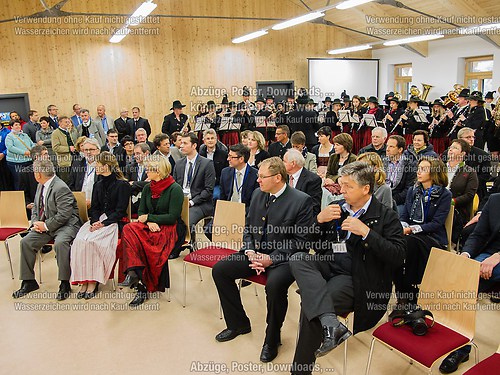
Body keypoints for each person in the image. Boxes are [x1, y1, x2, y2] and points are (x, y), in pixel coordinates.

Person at [289, 162, 405, 373]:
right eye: (341, 185)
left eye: (348, 186)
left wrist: (367, 233)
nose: (341, 190)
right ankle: (331, 323)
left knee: (311, 307)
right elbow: (309, 243)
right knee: (297, 257)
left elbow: (398, 256)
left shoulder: (387, 216)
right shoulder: (338, 208)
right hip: (331, 263)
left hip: (357, 277)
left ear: (365, 189)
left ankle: (300, 370)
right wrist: (318, 220)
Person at [212, 157, 313, 363]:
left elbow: (301, 242)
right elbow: (248, 227)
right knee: (220, 270)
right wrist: (249, 250)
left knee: (275, 286)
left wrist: (271, 259)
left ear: (278, 178)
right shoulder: (258, 194)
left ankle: (272, 339)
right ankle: (238, 324)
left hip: (284, 259)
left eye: (261, 176)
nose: (257, 180)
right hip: (255, 252)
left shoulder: (301, 201)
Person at [438, 193, 500, 374]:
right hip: (487, 255)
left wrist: (498, 257)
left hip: (496, 256)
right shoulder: (495, 200)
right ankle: (461, 347)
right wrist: (465, 256)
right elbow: (479, 234)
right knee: (462, 281)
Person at [119, 155, 185, 306]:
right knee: (129, 229)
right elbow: (141, 212)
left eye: (149, 169)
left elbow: (172, 217)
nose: (146, 172)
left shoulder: (175, 189)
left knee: (146, 243)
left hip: (169, 227)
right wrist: (149, 221)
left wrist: (150, 218)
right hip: (151, 223)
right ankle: (133, 274)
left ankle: (141, 285)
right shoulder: (148, 187)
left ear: (159, 171)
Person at [12, 159, 81, 301]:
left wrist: (46, 226)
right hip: (47, 224)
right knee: (26, 242)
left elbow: (64, 215)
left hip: (67, 225)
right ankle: (28, 281)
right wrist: (36, 222)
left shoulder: (60, 187)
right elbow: (37, 207)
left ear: (38, 174)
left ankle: (64, 283)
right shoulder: (41, 185)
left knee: (60, 243)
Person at [391, 157, 451, 313]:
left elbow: (436, 224)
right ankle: (404, 295)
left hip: (432, 237)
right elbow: (404, 216)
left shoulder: (444, 194)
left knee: (408, 244)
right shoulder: (413, 190)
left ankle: (407, 294)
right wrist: (404, 226)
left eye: (423, 169)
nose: (418, 171)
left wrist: (411, 229)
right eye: (419, 168)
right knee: (397, 246)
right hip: (410, 236)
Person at [70, 152, 130, 299]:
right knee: (79, 241)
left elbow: (120, 211)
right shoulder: (98, 184)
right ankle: (84, 279)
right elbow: (95, 208)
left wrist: (103, 223)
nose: (96, 166)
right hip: (97, 220)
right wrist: (94, 221)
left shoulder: (122, 185)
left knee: (93, 242)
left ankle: (94, 281)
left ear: (106, 165)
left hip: (113, 221)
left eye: (98, 164)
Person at [171, 133, 215, 258]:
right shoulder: (179, 164)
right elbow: (174, 185)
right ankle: (172, 245)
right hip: (181, 200)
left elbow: (208, 190)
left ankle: (178, 247)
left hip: (200, 203)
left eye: (185, 143)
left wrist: (192, 202)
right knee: (168, 216)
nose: (181, 146)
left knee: (187, 220)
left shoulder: (207, 164)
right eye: (181, 143)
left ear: (194, 145)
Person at [446, 139, 478, 243]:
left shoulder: (470, 172)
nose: (450, 150)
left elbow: (469, 195)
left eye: (455, 148)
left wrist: (452, 201)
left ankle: (450, 243)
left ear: (463, 153)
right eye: (450, 147)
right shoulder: (439, 168)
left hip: (457, 209)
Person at [383, 135, 417, 216]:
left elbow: (408, 189)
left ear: (400, 149)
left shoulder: (410, 165)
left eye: (391, 146)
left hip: (398, 201)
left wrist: (392, 200)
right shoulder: (382, 162)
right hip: (382, 198)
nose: (387, 149)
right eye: (387, 146)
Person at [219, 144, 259, 211]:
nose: (228, 159)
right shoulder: (225, 172)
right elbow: (222, 197)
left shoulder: (255, 175)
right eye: (228, 156)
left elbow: (256, 202)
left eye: (231, 157)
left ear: (241, 159)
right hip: (228, 209)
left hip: (246, 211)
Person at [284, 149, 322, 216]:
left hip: (301, 219)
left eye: (284, 161)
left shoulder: (312, 180)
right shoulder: (282, 177)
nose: (282, 163)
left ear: (293, 163)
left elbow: (313, 208)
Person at [68, 138, 101, 207]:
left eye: (91, 149)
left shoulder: (103, 165)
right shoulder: (77, 163)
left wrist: (92, 202)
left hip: (98, 205)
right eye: (86, 150)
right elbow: (71, 185)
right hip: (79, 204)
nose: (88, 152)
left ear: (98, 151)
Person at [5, 118, 35, 190]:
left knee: (29, 180)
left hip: (28, 161)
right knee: (19, 181)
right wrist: (24, 152)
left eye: (19, 125)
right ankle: (20, 197)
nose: (18, 126)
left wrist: (33, 150)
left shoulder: (25, 135)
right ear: (11, 127)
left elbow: (32, 144)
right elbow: (10, 148)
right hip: (16, 162)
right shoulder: (9, 136)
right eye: (16, 125)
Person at [199, 128, 228, 200]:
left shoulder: (223, 154)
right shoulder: (200, 154)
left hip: (217, 184)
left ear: (216, 140)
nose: (210, 140)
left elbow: (225, 172)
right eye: (208, 138)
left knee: (216, 196)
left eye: (212, 138)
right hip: (203, 183)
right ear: (204, 141)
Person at [51, 116, 78, 184]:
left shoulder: (68, 131)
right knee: (66, 181)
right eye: (66, 122)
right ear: (60, 123)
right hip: (64, 162)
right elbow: (55, 148)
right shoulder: (55, 133)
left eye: (68, 122)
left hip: (73, 159)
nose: (68, 124)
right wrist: (68, 149)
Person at [127, 142, 151, 214]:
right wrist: (142, 184)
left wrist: (134, 183)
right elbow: (126, 184)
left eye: (138, 153)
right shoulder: (130, 167)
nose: (135, 156)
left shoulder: (153, 167)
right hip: (133, 201)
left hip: (148, 201)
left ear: (146, 153)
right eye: (134, 154)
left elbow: (150, 184)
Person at [0, 120, 13, 190]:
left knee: (7, 178)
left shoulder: (7, 132)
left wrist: (3, 153)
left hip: (5, 158)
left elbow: (11, 145)